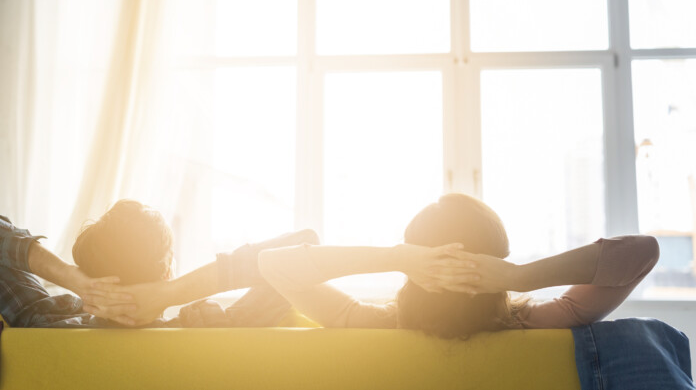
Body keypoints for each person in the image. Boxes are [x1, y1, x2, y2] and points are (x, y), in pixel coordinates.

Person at [251, 193, 660, 337]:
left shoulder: (370, 322)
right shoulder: (539, 322)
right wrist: (520, 276)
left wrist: (396, 257)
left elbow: (273, 266)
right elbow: (643, 253)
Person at [0, 199, 318, 328]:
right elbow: (304, 248)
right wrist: (172, 293)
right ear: (166, 271)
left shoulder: (40, 319)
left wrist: (71, 278)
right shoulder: (206, 333)